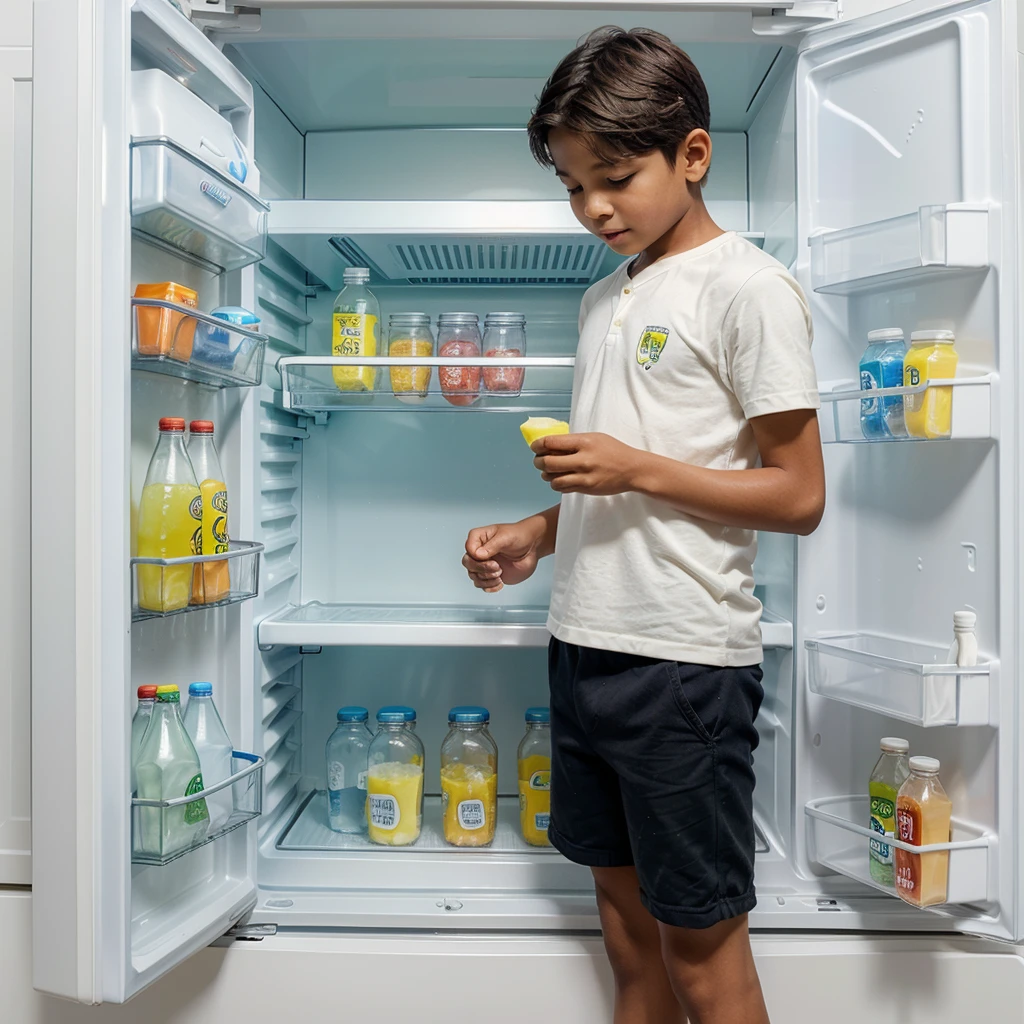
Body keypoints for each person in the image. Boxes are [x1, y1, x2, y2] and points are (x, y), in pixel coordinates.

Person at [461, 26, 825, 1024]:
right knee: (625, 936)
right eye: (574, 186)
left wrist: (629, 467)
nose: (593, 208)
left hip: (682, 669)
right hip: (582, 651)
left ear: (693, 155)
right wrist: (543, 526)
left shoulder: (747, 289)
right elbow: (637, 468)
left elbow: (797, 495)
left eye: (615, 177)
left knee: (703, 953)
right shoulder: (601, 297)